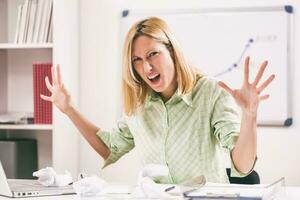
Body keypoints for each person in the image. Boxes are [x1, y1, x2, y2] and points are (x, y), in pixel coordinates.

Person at [41, 17, 275, 184]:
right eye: (137, 60)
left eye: (153, 54)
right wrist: (69, 109)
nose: (147, 67)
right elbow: (109, 148)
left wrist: (250, 115)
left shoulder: (210, 92)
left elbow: (243, 167)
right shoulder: (140, 104)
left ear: (172, 51)